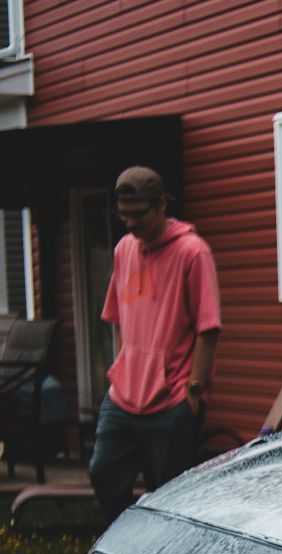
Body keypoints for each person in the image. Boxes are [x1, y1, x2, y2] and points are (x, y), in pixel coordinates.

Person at [90, 165, 221, 525]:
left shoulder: (193, 253)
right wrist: (121, 370)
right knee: (103, 473)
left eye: (138, 215)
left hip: (171, 401)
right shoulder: (123, 251)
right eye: (123, 215)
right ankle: (128, 541)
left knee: (171, 496)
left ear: (161, 205)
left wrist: (193, 391)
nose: (130, 224)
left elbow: (208, 328)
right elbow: (117, 318)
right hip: (123, 398)